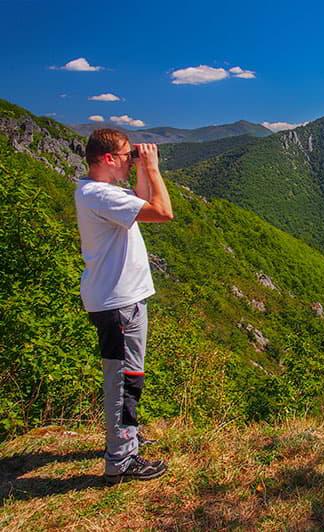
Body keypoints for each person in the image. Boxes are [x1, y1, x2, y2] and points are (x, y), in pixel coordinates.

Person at [74, 129, 174, 484]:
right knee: (124, 379)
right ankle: (120, 460)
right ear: (107, 159)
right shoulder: (100, 196)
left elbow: (143, 202)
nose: (131, 161)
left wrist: (143, 170)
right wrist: (155, 168)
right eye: (126, 156)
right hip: (118, 303)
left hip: (119, 299)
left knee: (129, 375)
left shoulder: (100, 193)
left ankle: (126, 438)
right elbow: (162, 211)